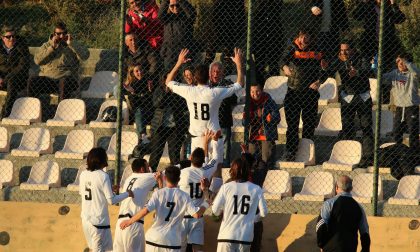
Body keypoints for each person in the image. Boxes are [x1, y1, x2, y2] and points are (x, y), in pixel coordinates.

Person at [166, 48, 244, 159]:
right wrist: (239, 63)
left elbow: (168, 81)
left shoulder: (189, 90)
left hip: (197, 137)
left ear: (195, 78)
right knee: (216, 168)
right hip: (214, 136)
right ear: (209, 77)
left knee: (198, 169)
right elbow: (240, 83)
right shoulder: (215, 92)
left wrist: (179, 62)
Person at [120, 165, 209, 251]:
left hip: (153, 239)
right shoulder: (184, 196)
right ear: (179, 180)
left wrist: (129, 221)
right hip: (172, 242)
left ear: (165, 178)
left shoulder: (158, 193)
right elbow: (197, 214)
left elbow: (145, 211)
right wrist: (206, 203)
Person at [280, 29, 327, 161]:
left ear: (310, 39)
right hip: (293, 92)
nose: (302, 41)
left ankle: (307, 152)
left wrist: (319, 81)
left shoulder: (317, 51)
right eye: (301, 38)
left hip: (310, 93)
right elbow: (282, 60)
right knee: (292, 125)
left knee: (309, 124)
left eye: (306, 39)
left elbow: (326, 68)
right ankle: (290, 152)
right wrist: (284, 67)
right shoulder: (292, 48)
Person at [326, 42, 374, 167]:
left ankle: (368, 157)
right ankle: (347, 156)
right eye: (342, 50)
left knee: (366, 127)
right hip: (347, 97)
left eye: (346, 50)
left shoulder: (361, 58)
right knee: (347, 127)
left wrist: (356, 72)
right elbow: (329, 72)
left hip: (363, 96)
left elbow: (367, 70)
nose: (343, 53)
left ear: (352, 50)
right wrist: (325, 68)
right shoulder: (338, 59)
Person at [79, 147, 134, 252]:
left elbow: (87, 192)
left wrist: (108, 190)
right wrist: (127, 194)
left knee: (97, 249)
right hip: (98, 222)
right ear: (101, 160)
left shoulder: (83, 174)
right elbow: (111, 201)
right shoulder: (103, 176)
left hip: (86, 220)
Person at [212, 158, 268, 252]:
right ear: (248, 171)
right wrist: (253, 219)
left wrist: (220, 213)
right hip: (245, 237)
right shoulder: (256, 189)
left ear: (232, 171)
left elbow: (215, 210)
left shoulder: (226, 187)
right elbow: (264, 213)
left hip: (226, 235)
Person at [179, 132, 220, 252]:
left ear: (190, 158)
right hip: (198, 215)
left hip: (183, 215)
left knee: (180, 248)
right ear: (203, 161)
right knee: (197, 248)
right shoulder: (205, 171)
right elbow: (216, 159)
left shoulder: (183, 172)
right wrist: (215, 141)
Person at [29, 21, 89, 100]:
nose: (62, 36)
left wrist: (72, 44)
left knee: (64, 82)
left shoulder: (72, 45)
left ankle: (61, 110)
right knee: (33, 81)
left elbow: (85, 56)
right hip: (48, 80)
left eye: (64, 33)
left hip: (67, 80)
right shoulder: (46, 45)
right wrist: (52, 48)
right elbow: (37, 61)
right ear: (54, 34)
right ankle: (33, 109)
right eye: (59, 34)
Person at [113, 158, 163, 252]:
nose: (150, 169)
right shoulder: (147, 176)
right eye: (148, 167)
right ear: (142, 169)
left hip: (119, 224)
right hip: (133, 223)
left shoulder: (128, 178)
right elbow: (167, 174)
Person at [316, 175, 371, 252]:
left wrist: (321, 244)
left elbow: (321, 225)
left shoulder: (329, 204)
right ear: (351, 189)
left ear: (336, 188)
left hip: (331, 248)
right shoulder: (359, 207)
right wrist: (365, 250)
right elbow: (365, 232)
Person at [148, 73, 189, 171]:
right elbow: (157, 103)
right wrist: (166, 93)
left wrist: (174, 93)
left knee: (174, 155)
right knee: (156, 154)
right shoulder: (159, 90)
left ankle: (176, 178)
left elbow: (183, 106)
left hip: (175, 127)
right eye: (168, 80)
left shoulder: (179, 91)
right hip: (160, 126)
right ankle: (150, 175)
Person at [353, 0, 406, 73]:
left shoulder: (389, 6)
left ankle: (385, 81)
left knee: (387, 69)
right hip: (370, 42)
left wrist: (393, 4)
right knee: (368, 68)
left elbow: (400, 19)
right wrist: (364, 2)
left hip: (387, 42)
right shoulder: (369, 5)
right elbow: (356, 16)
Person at [383, 53, 419, 150]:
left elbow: (417, 73)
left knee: (413, 132)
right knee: (396, 131)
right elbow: (382, 77)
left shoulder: (413, 73)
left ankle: (414, 154)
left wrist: (406, 62)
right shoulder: (395, 73)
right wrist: (376, 67)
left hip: (411, 107)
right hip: (399, 108)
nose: (400, 64)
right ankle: (398, 154)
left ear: (408, 63)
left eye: (402, 61)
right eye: (398, 61)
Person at [209, 61, 238, 167]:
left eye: (218, 71)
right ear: (210, 72)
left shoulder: (227, 84)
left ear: (222, 73)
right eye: (214, 71)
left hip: (224, 120)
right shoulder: (206, 84)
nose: (216, 74)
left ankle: (225, 165)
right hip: (210, 122)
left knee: (225, 145)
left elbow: (234, 100)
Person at [245, 84, 280, 169]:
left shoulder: (269, 101)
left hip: (266, 136)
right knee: (252, 162)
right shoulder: (248, 102)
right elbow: (244, 123)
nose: (255, 94)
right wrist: (245, 119)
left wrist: (270, 117)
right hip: (253, 136)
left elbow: (277, 117)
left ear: (262, 91)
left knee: (266, 162)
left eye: (257, 91)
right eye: (252, 92)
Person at [0, 25, 30, 118]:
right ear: (2, 38)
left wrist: (6, 78)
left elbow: (22, 67)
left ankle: (5, 114)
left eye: (14, 36)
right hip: (1, 79)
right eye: (8, 37)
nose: (12, 38)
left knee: (11, 82)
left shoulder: (22, 48)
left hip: (18, 79)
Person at [158, 0, 197, 70]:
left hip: (184, 51)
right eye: (172, 6)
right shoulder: (167, 18)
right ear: (168, 7)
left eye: (177, 5)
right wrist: (167, 1)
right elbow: (160, 15)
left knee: (185, 76)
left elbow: (192, 14)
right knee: (169, 76)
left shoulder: (186, 18)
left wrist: (180, 1)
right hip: (169, 53)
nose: (175, 7)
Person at [253, 0, 285, 82]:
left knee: (273, 62)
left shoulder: (275, 10)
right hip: (260, 33)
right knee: (259, 63)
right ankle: (259, 85)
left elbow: (278, 7)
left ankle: (273, 86)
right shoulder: (258, 13)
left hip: (273, 33)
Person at [121, 63, 154, 144]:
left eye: (141, 70)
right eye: (137, 71)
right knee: (139, 111)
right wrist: (132, 93)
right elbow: (134, 104)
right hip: (137, 111)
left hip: (149, 110)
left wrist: (150, 91)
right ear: (132, 73)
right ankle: (143, 136)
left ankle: (145, 137)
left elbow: (151, 101)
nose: (140, 72)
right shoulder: (129, 85)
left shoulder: (148, 81)